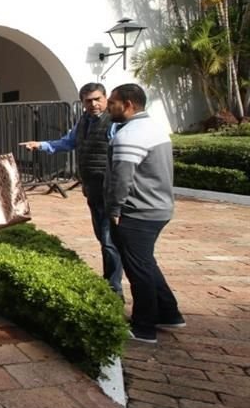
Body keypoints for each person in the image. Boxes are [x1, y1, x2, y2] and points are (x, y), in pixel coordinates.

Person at [20, 83, 122, 296]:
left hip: (109, 190)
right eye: (88, 101)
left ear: (105, 98)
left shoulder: (114, 123)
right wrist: (41, 145)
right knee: (104, 239)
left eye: (97, 99)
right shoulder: (83, 122)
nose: (93, 104)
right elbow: (67, 143)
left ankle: (114, 289)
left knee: (109, 241)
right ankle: (111, 282)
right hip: (92, 189)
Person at [105, 83, 185, 343]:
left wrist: (115, 209)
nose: (108, 107)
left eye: (112, 103)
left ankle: (144, 327)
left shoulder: (129, 135)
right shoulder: (153, 128)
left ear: (128, 105)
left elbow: (122, 178)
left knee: (138, 269)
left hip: (139, 211)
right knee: (145, 262)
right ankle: (169, 313)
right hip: (159, 207)